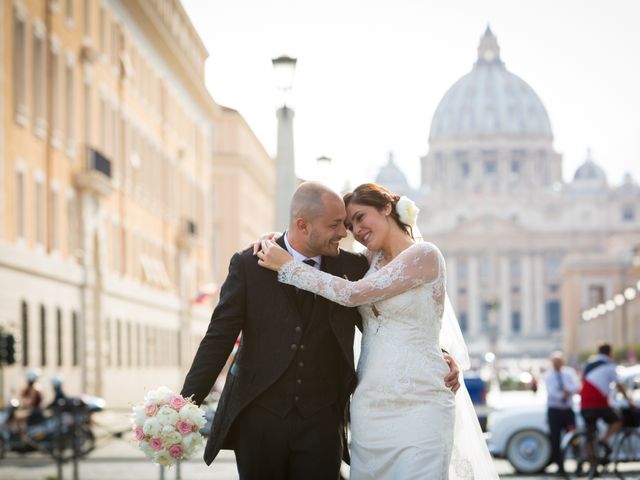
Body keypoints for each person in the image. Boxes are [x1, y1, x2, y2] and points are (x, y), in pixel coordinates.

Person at [180, 181, 461, 480]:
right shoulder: (250, 263)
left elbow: (386, 313)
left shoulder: (354, 267)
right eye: (339, 225)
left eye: (351, 222)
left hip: (324, 424)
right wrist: (183, 406)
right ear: (303, 225)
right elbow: (218, 338)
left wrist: (436, 352)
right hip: (259, 421)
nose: (346, 233)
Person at [258, 182, 498, 479]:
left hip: (421, 401)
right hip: (370, 406)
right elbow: (309, 246)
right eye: (349, 225)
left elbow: (354, 294)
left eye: (360, 218)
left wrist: (288, 267)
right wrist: (276, 242)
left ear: (386, 208)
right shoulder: (367, 262)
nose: (356, 231)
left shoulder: (425, 254)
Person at [580, 342, 630, 447]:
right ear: (610, 353)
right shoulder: (609, 366)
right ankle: (604, 440)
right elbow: (619, 386)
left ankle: (590, 459)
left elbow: (582, 380)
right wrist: (629, 400)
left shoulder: (589, 364)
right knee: (617, 421)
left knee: (590, 433)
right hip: (600, 403)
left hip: (584, 403)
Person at [544, 351, 579, 476]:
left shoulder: (569, 373)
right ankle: (559, 466)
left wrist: (567, 391)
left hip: (568, 411)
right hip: (555, 411)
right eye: (555, 362)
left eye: (559, 362)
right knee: (555, 438)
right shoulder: (548, 376)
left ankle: (578, 462)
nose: (557, 364)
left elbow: (576, 386)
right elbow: (552, 393)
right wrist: (565, 393)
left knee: (574, 436)